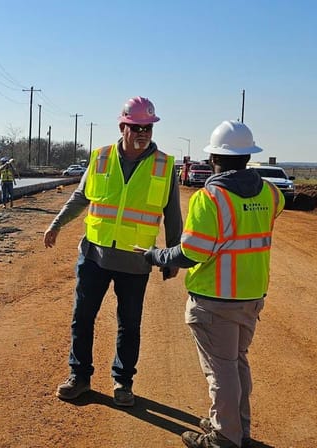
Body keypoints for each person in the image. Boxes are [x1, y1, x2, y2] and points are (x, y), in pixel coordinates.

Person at [141, 121, 285, 448]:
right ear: (248, 157)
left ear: (214, 158)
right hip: (250, 295)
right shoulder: (271, 194)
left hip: (214, 298)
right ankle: (237, 428)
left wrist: (156, 256)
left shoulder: (211, 198)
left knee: (221, 372)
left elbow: (191, 253)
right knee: (237, 365)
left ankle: (224, 437)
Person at [43, 96, 183, 406]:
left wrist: (173, 257)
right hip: (94, 255)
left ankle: (123, 382)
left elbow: (173, 214)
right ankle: (79, 376)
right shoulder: (101, 157)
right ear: (122, 126)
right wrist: (57, 224)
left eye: (147, 127)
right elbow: (82, 197)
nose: (142, 133)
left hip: (136, 259)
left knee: (129, 324)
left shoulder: (164, 165)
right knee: (83, 317)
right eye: (135, 127)